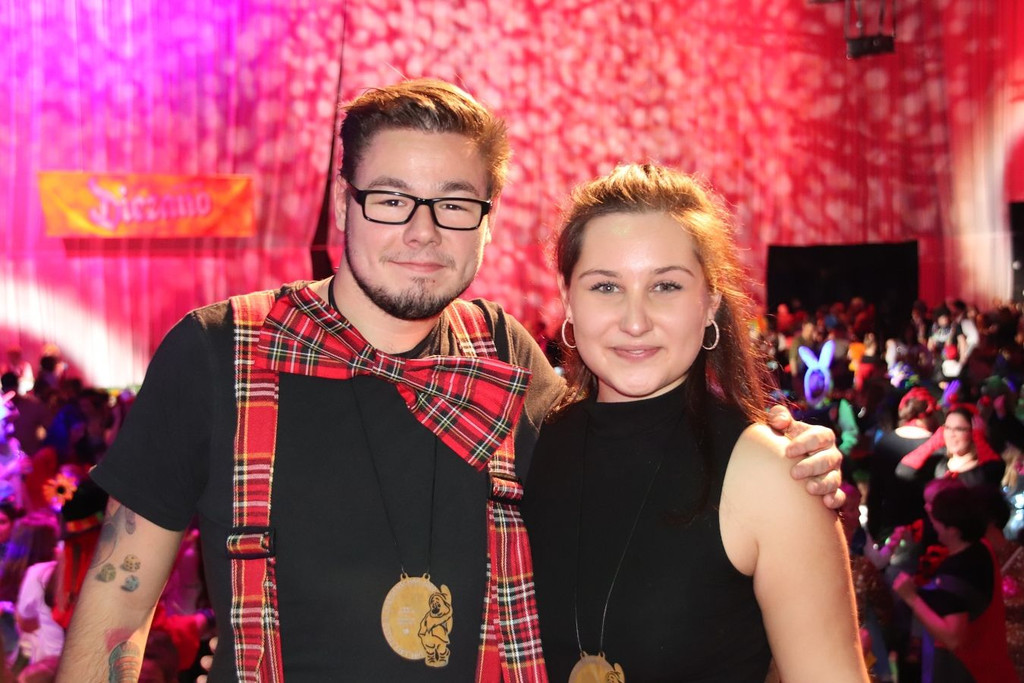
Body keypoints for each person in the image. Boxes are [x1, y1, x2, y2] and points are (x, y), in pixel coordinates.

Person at [56, 79, 845, 683]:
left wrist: (783, 453)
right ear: (344, 205)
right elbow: (118, 604)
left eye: (455, 204)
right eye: (392, 199)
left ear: (488, 222)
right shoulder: (219, 351)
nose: (422, 231)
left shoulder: (504, 357)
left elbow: (637, 439)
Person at [523, 164, 867, 681]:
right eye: (606, 287)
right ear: (567, 297)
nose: (635, 321)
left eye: (665, 286)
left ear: (710, 302)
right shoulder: (527, 444)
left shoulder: (773, 474)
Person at [893, 484, 1016, 682]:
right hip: (993, 670)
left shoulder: (956, 572)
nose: (932, 524)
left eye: (937, 519)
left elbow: (953, 639)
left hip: (968, 673)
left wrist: (911, 597)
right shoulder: (982, 548)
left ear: (952, 530)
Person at [897, 405, 1005, 488]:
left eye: (959, 429)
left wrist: (979, 439)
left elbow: (995, 471)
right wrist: (933, 442)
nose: (951, 434)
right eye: (947, 428)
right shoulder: (940, 462)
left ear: (973, 432)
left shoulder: (983, 468)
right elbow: (903, 472)